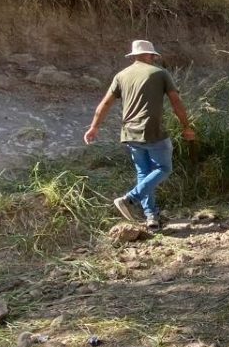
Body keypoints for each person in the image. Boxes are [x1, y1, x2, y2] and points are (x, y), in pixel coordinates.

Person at [84, 40, 196, 228]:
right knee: (164, 168)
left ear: (134, 56)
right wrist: (186, 127)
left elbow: (105, 103)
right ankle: (130, 199)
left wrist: (94, 127)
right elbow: (176, 102)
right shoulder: (160, 73)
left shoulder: (121, 75)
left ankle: (151, 216)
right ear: (147, 55)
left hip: (129, 132)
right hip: (153, 131)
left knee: (144, 173)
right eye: (152, 55)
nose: (153, 58)